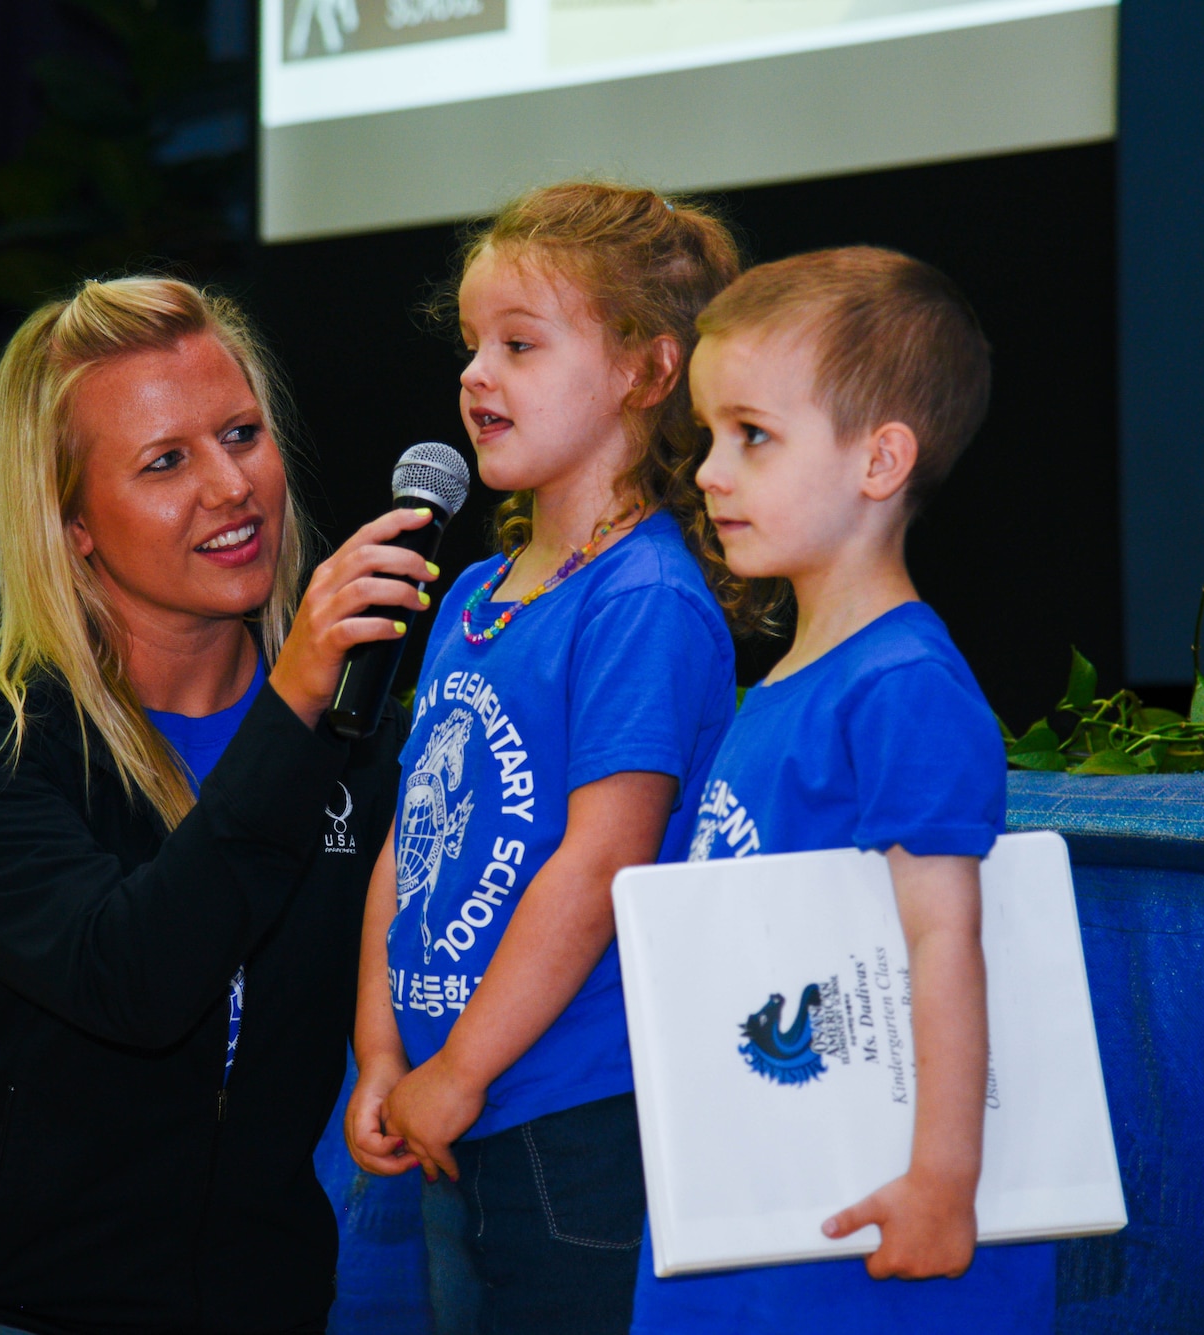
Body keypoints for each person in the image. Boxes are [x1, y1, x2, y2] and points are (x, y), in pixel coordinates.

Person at [0, 276, 438, 1335]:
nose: (231, 486)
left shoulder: (362, 754)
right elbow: (135, 978)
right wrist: (295, 702)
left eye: (241, 433)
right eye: (165, 461)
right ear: (71, 521)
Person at [342, 183, 759, 1335]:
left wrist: (464, 1066)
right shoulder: (474, 592)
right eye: (473, 345)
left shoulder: (645, 601)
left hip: (571, 1117)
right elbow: (412, 835)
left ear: (644, 369)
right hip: (452, 1105)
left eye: (519, 345)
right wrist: (382, 1045)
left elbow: (599, 864)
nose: (476, 374)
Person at [630, 246, 1056, 1332]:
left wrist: (940, 1181)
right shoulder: (783, 680)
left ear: (879, 461)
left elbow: (944, 944)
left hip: (853, 1243)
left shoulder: (901, 686)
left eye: (752, 436)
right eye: (708, 437)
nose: (710, 472)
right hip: (761, 1206)